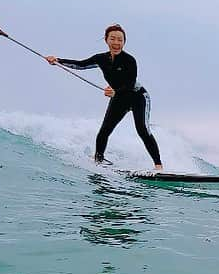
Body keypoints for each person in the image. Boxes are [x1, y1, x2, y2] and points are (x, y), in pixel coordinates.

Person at [45, 24, 163, 170]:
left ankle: (158, 166)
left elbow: (130, 83)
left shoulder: (130, 60)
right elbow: (81, 65)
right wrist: (58, 60)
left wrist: (116, 92)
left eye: (120, 40)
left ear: (124, 42)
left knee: (142, 130)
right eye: (112, 38)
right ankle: (98, 161)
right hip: (119, 98)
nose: (116, 43)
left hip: (138, 97)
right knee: (104, 131)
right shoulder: (101, 59)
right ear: (106, 40)